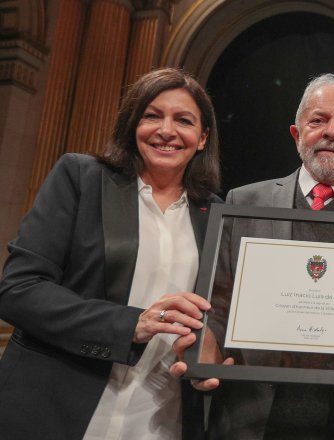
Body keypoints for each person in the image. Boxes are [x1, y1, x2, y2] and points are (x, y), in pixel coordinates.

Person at [171, 73, 334, 439]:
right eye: (318, 120)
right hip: (251, 417)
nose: (332, 132)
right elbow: (219, 301)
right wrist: (206, 352)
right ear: (297, 134)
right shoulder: (244, 203)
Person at [0, 68, 221, 439]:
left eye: (184, 120)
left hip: (160, 422)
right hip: (55, 410)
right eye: (152, 116)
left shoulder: (215, 213)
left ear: (202, 138)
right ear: (133, 125)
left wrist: (211, 358)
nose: (166, 130)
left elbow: (221, 315)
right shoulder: (81, 178)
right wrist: (130, 325)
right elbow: (18, 290)